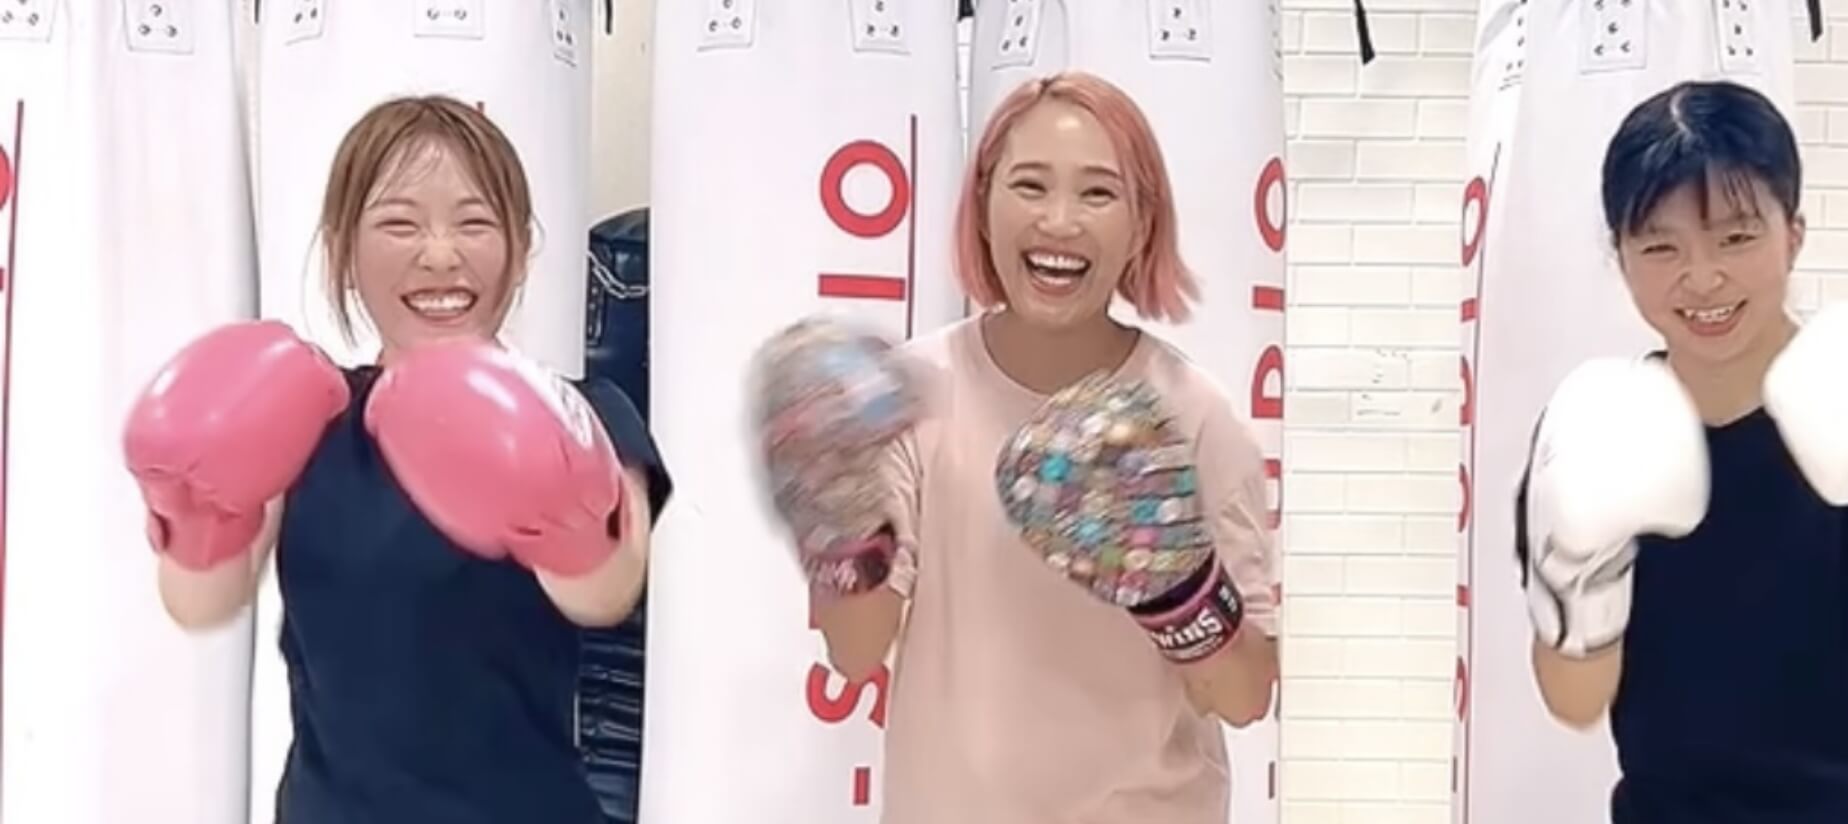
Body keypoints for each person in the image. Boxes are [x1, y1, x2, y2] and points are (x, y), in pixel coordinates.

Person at [120, 95, 672, 823]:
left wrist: (555, 502)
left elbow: (605, 593)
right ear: (345, 250)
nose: (439, 255)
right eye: (399, 224)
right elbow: (200, 602)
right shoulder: (306, 415)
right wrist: (194, 511)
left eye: (474, 223)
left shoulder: (585, 412)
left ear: (520, 247)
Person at [750, 71, 1279, 824]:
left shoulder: (1195, 413)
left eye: (1098, 193)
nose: (1059, 220)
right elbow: (856, 650)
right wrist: (835, 513)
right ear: (984, 202)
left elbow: (1246, 695)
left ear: (1141, 223)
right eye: (1030, 185)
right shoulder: (913, 396)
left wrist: (1177, 586)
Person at [1514, 79, 1848, 823]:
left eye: (1736, 237)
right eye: (1660, 246)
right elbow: (1575, 700)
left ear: (1793, 234)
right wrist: (1575, 579)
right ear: (1620, 255)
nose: (1702, 276)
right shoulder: (1597, 428)